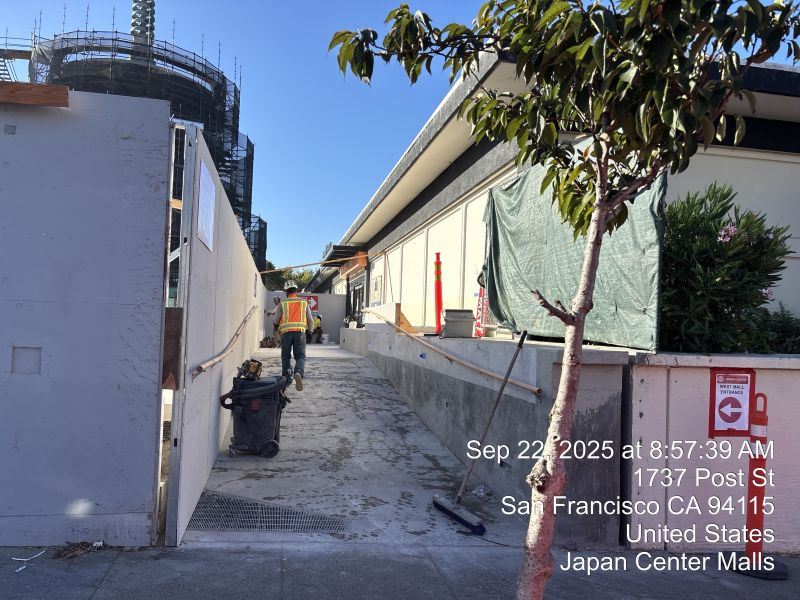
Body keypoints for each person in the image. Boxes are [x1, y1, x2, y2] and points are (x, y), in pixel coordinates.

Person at [273, 280, 314, 390]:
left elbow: (276, 320)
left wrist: (275, 332)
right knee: (300, 356)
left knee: (286, 356)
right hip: (300, 333)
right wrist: (310, 330)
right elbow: (310, 319)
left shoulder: (283, 303)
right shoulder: (304, 303)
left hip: (286, 334)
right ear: (296, 290)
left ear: (286, 291)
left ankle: (286, 379)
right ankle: (298, 373)